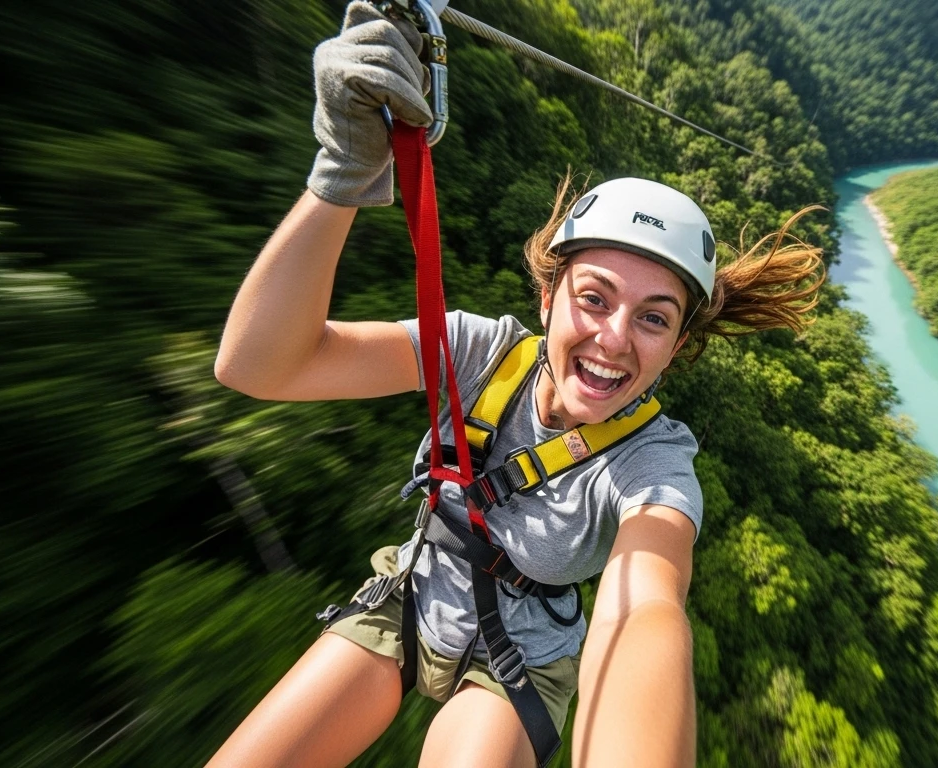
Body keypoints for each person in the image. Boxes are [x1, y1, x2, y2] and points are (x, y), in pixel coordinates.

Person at [207, 3, 824, 766]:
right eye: (594, 297)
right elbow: (261, 364)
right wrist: (341, 174)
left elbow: (644, 606)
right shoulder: (477, 354)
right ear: (547, 298)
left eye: (654, 319)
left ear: (679, 347)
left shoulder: (653, 464)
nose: (614, 338)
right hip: (411, 601)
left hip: (522, 663)